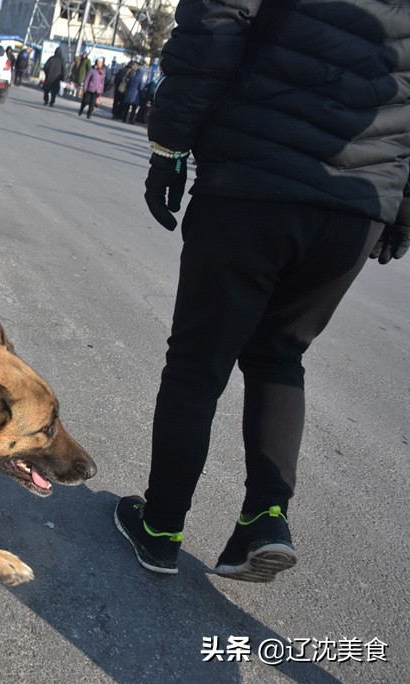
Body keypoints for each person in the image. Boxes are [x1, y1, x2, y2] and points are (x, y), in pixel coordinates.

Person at [116, 0, 410, 582]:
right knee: (279, 354)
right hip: (359, 202)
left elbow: (216, 27)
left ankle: (162, 527)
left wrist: (170, 147)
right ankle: (265, 517)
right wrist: (402, 207)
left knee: (198, 364)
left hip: (253, 179)